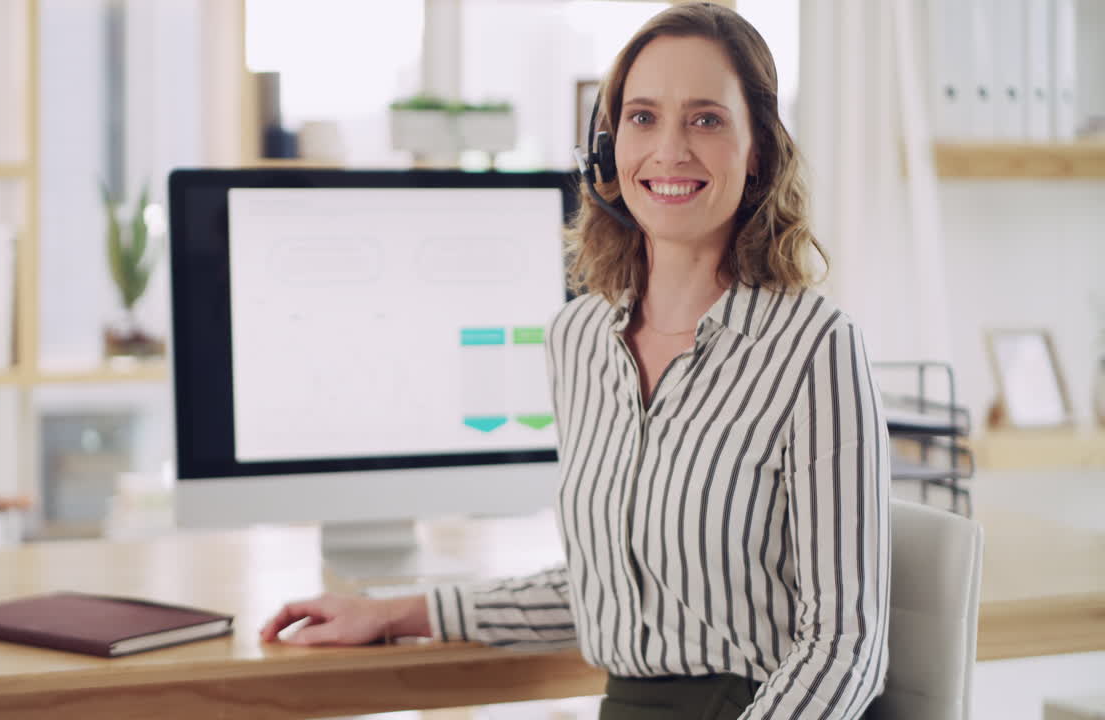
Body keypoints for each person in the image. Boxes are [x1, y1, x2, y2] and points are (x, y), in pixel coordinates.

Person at [260, 4, 890, 719]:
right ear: (606, 152)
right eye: (643, 117)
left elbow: (844, 647)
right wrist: (398, 613)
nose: (670, 150)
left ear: (760, 154)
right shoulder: (580, 341)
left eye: (707, 119)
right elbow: (605, 584)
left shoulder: (814, 347)